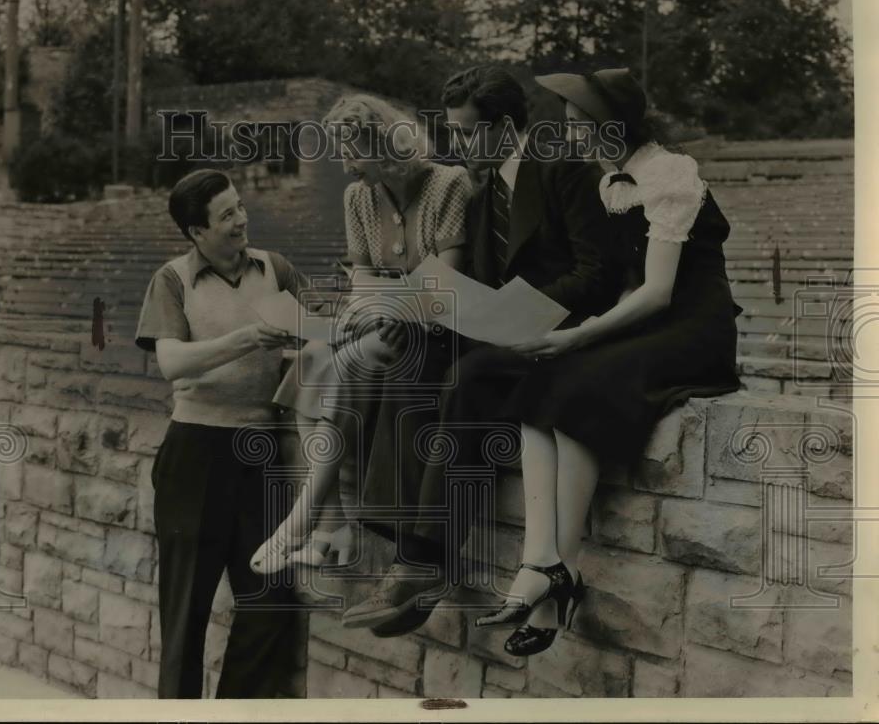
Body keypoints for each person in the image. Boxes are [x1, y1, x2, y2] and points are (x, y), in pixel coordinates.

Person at [471, 68, 742, 656]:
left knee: (578, 386)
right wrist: (578, 338)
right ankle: (540, 560)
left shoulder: (669, 173)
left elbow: (659, 291)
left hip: (693, 327)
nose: (572, 137)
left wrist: (582, 337)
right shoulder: (610, 181)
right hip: (647, 320)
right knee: (544, 385)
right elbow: (626, 286)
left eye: (580, 126)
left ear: (611, 125)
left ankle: (558, 567)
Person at [340, 65, 619, 635]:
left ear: (507, 126)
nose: (458, 146)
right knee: (412, 360)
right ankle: (407, 561)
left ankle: (423, 564)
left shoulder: (563, 169)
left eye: (469, 134)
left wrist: (528, 311)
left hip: (563, 336)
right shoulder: (482, 188)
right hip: (502, 331)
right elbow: (478, 288)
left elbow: (597, 273)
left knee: (467, 379)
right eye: (455, 134)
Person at [248, 94, 473, 577]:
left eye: (354, 149)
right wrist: (370, 309)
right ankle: (333, 525)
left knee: (344, 362)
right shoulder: (359, 197)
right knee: (309, 359)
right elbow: (363, 277)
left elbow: (447, 285)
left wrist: (386, 304)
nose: (346, 162)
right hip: (383, 320)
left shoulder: (448, 184)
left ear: (386, 145)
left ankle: (300, 520)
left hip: (437, 329)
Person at [134, 169, 307, 698]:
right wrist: (248, 339)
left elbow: (305, 349)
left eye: (239, 207)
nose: (241, 220)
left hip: (262, 454)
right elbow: (171, 363)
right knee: (186, 609)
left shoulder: (276, 269)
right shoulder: (172, 279)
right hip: (196, 451)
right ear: (196, 232)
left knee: (271, 599)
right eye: (226, 214)